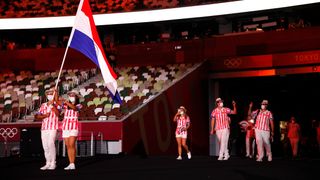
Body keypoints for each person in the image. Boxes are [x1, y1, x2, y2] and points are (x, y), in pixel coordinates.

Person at [34, 88, 59, 170]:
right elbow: (37, 116)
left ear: (54, 95)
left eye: (51, 94)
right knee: (45, 146)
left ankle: (53, 163)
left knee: (51, 143)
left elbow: (58, 114)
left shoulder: (56, 104)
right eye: (48, 94)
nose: (49, 95)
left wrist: (53, 107)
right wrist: (45, 116)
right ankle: (47, 162)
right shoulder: (43, 105)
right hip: (44, 128)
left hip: (53, 127)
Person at [59, 90, 81, 170]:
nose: (71, 96)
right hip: (65, 126)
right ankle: (70, 163)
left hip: (74, 125)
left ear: (76, 97)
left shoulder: (79, 105)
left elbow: (74, 108)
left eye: (73, 95)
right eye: (70, 95)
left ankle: (73, 163)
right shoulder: (65, 105)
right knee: (68, 146)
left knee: (72, 144)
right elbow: (59, 107)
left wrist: (66, 102)